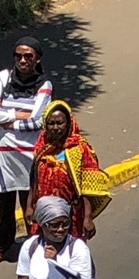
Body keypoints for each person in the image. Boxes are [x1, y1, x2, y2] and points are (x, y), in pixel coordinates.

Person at [0, 37, 53, 271]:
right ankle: (1, 248)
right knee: (1, 205)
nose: (22, 60)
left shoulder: (44, 86)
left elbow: (39, 120)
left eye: (28, 56)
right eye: (18, 56)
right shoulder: (3, 78)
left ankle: (36, 248)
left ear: (37, 59)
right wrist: (20, 115)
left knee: (30, 204)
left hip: (30, 155)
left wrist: (10, 120)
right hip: (3, 154)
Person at [24, 100, 110, 242]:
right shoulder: (42, 147)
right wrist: (29, 207)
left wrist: (87, 218)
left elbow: (88, 187)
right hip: (44, 213)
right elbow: (34, 180)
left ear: (69, 123)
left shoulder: (80, 149)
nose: (56, 127)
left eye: (60, 123)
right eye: (51, 123)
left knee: (71, 255)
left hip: (72, 216)